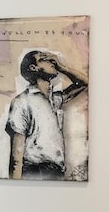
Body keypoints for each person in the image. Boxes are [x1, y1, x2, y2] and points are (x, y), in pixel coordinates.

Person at [5, 50, 88, 180]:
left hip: (56, 172)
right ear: (34, 67)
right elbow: (16, 155)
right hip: (35, 171)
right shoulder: (22, 101)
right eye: (44, 59)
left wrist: (62, 68)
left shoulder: (55, 99)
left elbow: (85, 83)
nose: (52, 61)